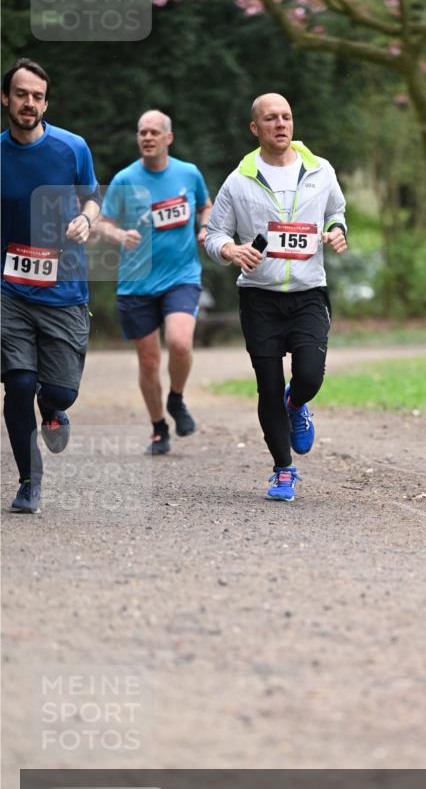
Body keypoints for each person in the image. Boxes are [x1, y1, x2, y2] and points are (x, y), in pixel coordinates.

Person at [205, 93, 347, 502]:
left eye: (286, 116)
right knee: (268, 387)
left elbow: (336, 212)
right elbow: (214, 234)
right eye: (271, 118)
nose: (280, 124)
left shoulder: (320, 170)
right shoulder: (239, 180)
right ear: (255, 128)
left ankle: (296, 403)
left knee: (309, 376)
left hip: (308, 292)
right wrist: (230, 251)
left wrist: (337, 231)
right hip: (259, 298)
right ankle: (283, 470)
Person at [1, 58, 101, 514]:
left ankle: (53, 408)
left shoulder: (72, 148)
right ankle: (29, 480)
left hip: (64, 290)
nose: (29, 103)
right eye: (21, 94)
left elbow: (92, 198)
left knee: (61, 391)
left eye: (37, 97)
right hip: (10, 289)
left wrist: (86, 219)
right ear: (6, 98)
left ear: (46, 103)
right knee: (19, 382)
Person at [95, 110, 211, 454]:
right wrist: (120, 235)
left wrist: (205, 227)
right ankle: (159, 427)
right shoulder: (125, 179)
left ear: (168, 138)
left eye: (153, 132)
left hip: (181, 276)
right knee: (148, 362)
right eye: (142, 132)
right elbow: (102, 223)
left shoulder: (188, 173)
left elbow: (205, 206)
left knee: (179, 343)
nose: (147, 137)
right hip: (136, 283)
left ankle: (176, 397)